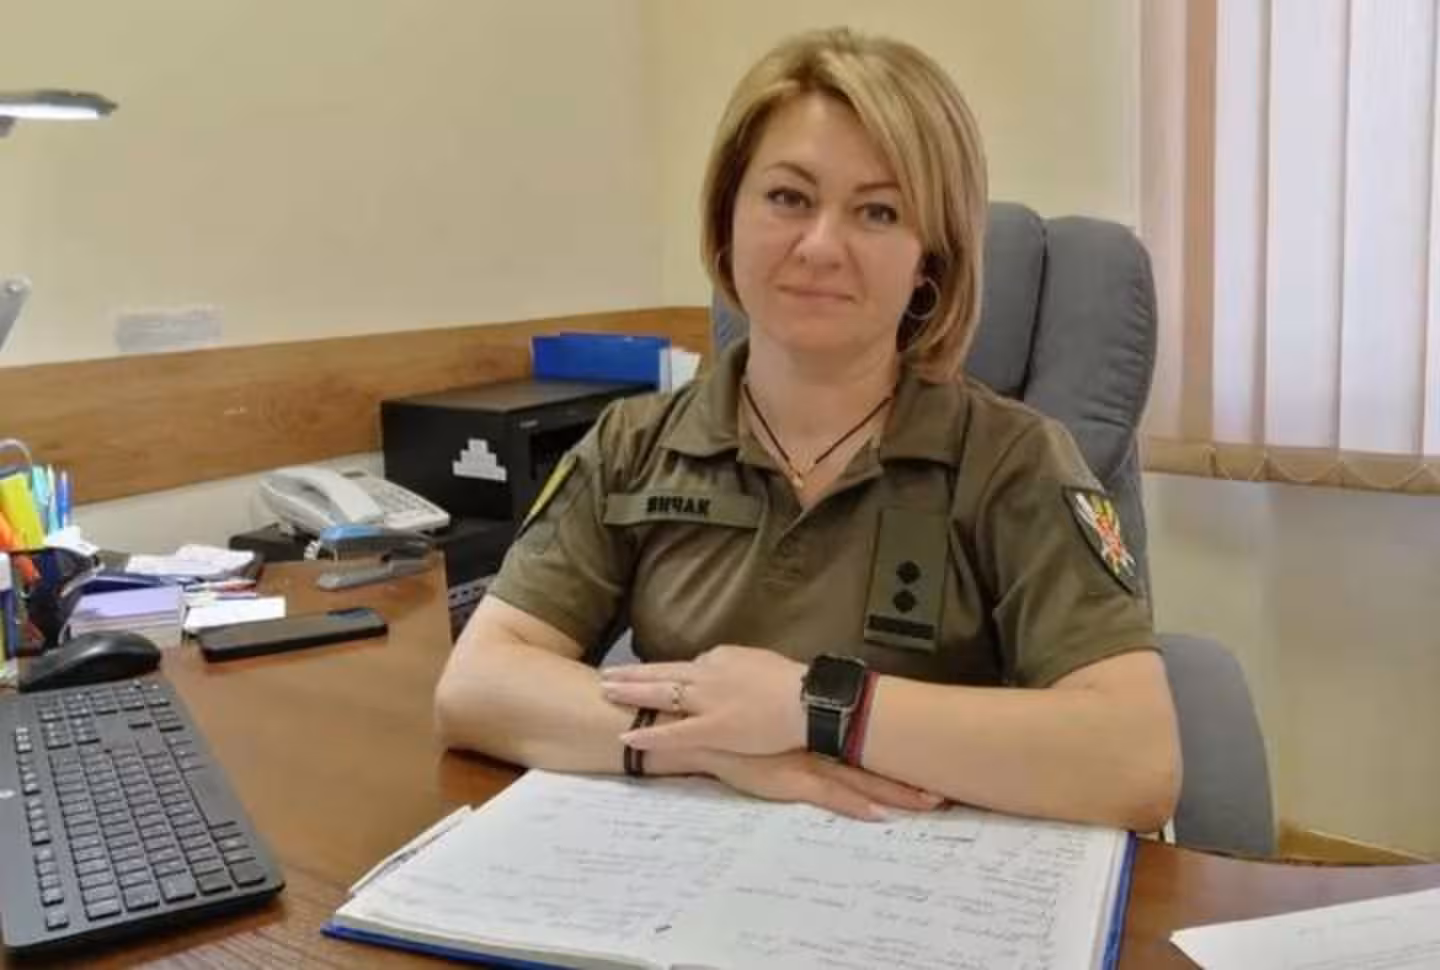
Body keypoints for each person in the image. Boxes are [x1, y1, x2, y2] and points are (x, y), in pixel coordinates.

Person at [435, 27, 1180, 831]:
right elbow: (477, 684)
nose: (821, 246)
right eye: (788, 198)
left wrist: (816, 708)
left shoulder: (1014, 460)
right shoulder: (634, 443)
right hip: (679, 863)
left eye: (878, 211)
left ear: (929, 261)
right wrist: (708, 743)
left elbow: (1136, 759)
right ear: (727, 220)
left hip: (913, 869)